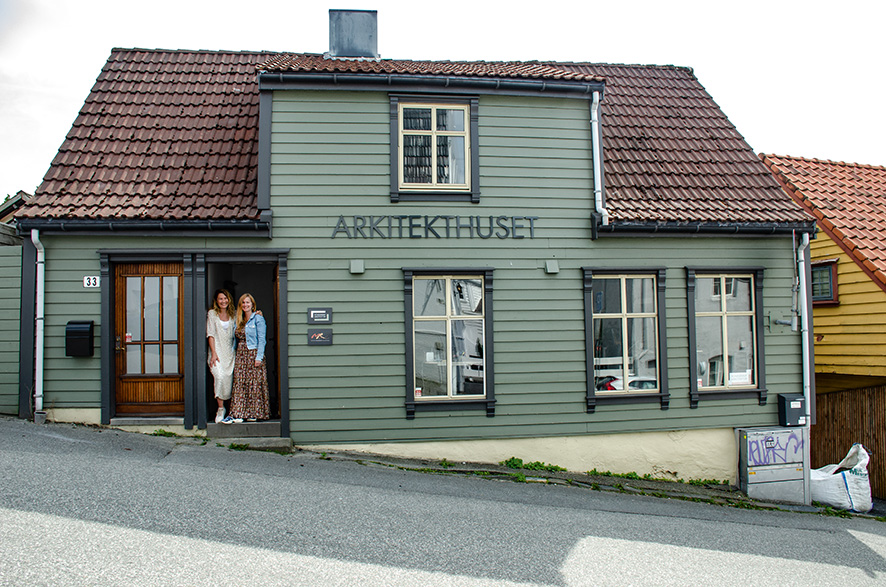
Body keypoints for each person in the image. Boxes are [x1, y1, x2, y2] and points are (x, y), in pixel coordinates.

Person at [224, 293, 270, 423]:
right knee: (240, 384)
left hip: (253, 353)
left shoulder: (258, 319)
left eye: (248, 302)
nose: (245, 305)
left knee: (253, 384)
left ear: (252, 304)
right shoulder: (238, 319)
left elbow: (262, 340)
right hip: (241, 354)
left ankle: (254, 413)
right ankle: (238, 413)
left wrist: (259, 357)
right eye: (243, 303)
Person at [206, 289, 235, 423]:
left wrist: (257, 313)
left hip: (229, 352)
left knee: (230, 379)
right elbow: (210, 334)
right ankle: (220, 409)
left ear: (229, 300)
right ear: (216, 301)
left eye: (225, 298)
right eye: (220, 299)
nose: (223, 301)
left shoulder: (233, 315)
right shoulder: (212, 314)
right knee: (220, 376)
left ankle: (232, 411)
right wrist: (214, 353)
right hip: (216, 352)